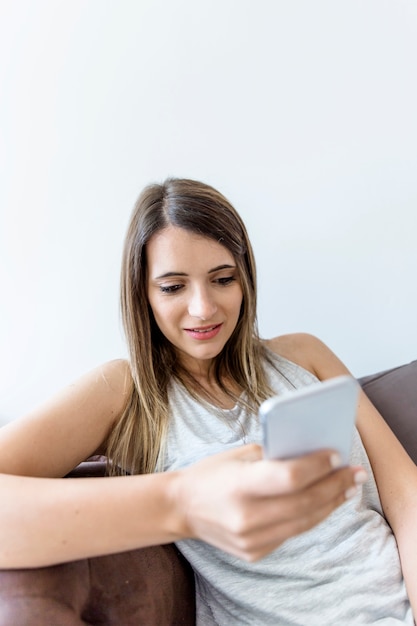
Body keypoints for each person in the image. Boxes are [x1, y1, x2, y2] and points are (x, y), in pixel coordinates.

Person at [0, 178, 415, 625]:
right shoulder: (125, 391)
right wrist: (181, 502)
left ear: (245, 280)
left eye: (222, 279)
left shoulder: (304, 354)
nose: (203, 308)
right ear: (143, 294)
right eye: (173, 287)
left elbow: (406, 497)